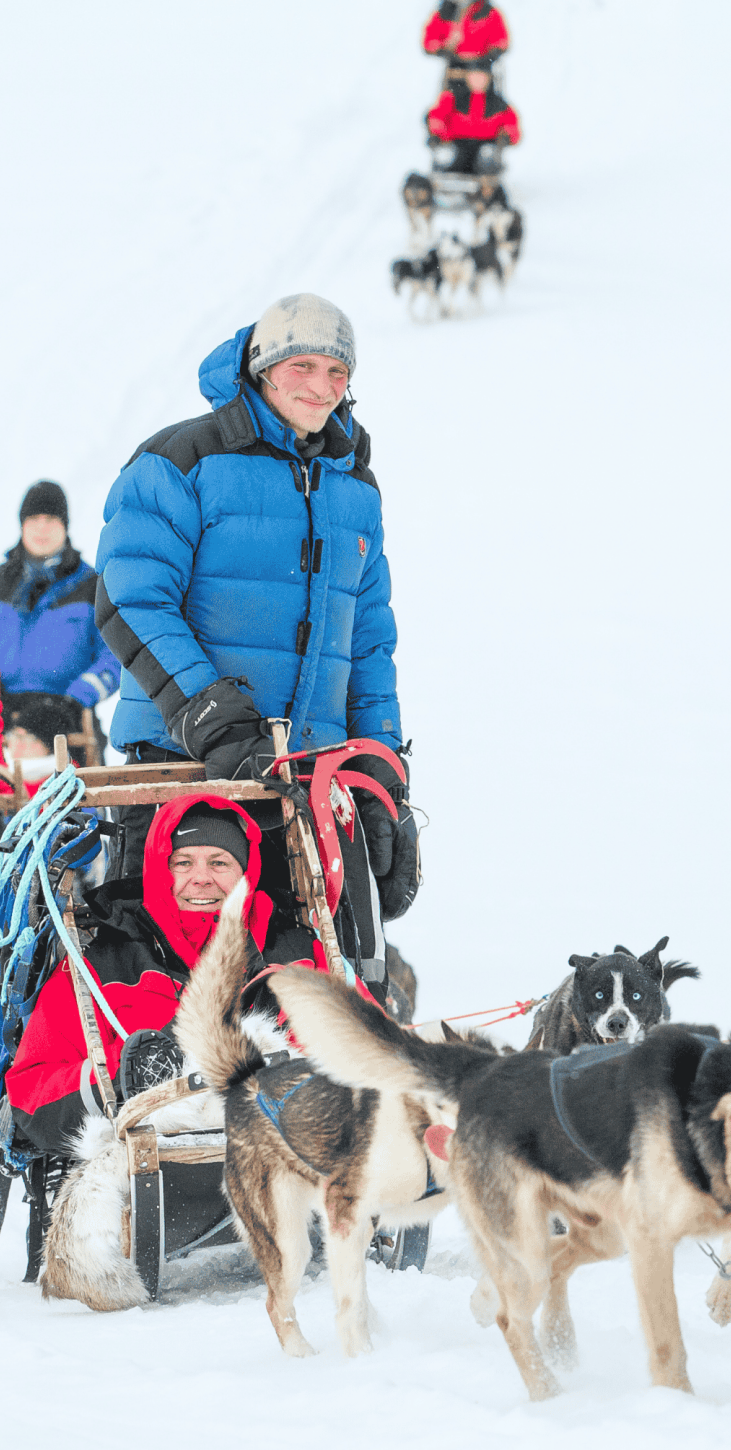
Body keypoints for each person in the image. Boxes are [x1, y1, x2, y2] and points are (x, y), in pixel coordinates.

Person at [93, 293, 419, 998]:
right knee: (156, 993)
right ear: (262, 369)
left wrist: (382, 765)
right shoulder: (182, 459)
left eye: (337, 372)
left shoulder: (354, 487)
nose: (321, 386)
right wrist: (213, 717)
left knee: (317, 997)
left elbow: (368, 640)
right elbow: (131, 598)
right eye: (303, 366)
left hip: (306, 782)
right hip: (184, 772)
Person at [5, 793, 328, 1154]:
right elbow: (30, 1096)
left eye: (220, 862)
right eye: (183, 862)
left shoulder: (298, 956)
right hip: (147, 1166)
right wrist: (121, 1074)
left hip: (281, 1155)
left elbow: (358, 1054)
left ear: (246, 873)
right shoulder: (104, 965)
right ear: (161, 870)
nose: (201, 878)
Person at [0, 481, 120, 749]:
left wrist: (73, 702)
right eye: (34, 519)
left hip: (69, 721)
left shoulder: (93, 586)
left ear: (65, 525)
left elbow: (115, 658)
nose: (42, 527)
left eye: (51, 519)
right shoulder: (0, 583)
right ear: (22, 525)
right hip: (2, 719)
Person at [427, 67, 520, 174]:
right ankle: (445, 176)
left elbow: (511, 124)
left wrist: (507, 137)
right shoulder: (453, 97)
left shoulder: (499, 104)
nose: (478, 81)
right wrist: (436, 133)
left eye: (481, 77)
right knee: (446, 156)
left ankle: (487, 180)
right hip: (456, 143)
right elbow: (436, 116)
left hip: (485, 144)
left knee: (488, 156)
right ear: (467, 78)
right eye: (474, 77)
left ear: (488, 79)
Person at [422, 2, 509, 68]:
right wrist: (445, 46)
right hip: (454, 67)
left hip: (482, 67)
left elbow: (501, 41)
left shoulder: (488, 12)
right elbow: (429, 42)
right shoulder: (443, 14)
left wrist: (488, 54)